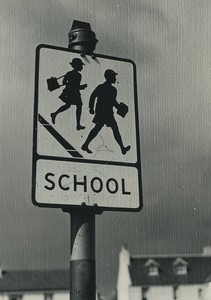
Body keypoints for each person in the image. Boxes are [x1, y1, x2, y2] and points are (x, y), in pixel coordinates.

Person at [81, 69, 130, 155]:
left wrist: (119, 107)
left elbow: (112, 101)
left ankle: (122, 148)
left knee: (110, 128)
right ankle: (122, 148)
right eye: (114, 76)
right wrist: (91, 108)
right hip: (102, 112)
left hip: (107, 112)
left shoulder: (113, 89)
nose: (115, 78)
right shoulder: (102, 87)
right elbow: (93, 96)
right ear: (110, 77)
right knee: (102, 128)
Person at [50, 58, 87, 130]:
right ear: (77, 66)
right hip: (72, 93)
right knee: (78, 106)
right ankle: (78, 124)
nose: (82, 67)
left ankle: (55, 113)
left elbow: (64, 82)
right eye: (81, 66)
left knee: (68, 105)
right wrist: (82, 86)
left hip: (69, 92)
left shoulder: (69, 73)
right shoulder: (78, 75)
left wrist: (70, 84)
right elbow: (76, 86)